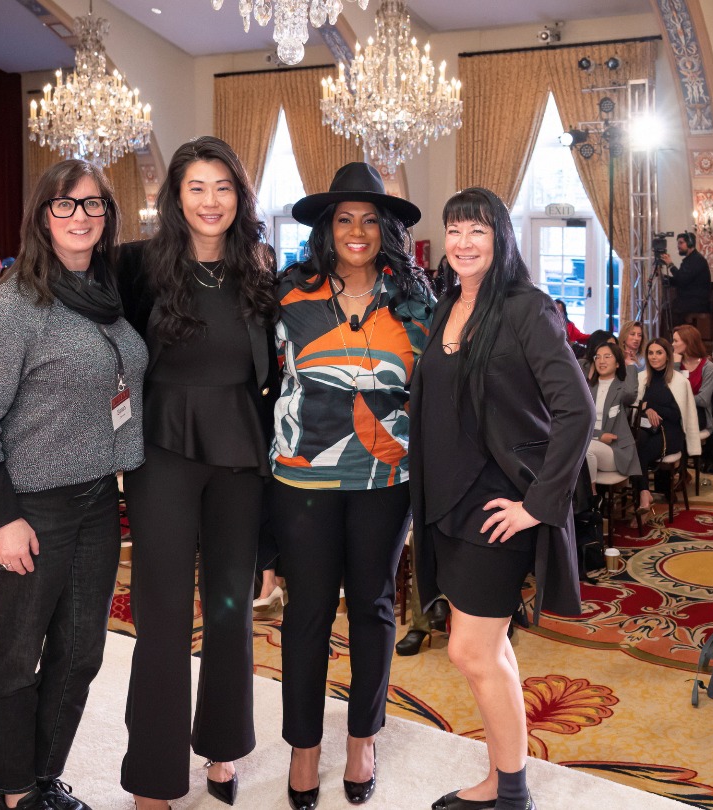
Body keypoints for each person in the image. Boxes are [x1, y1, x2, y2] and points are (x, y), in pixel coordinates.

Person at [0, 158, 147, 810]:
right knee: (15, 655)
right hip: (27, 507)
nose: (81, 217)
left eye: (92, 205)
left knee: (81, 652)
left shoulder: (108, 297)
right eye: (65, 205)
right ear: (42, 216)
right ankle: (13, 795)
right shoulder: (14, 307)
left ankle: (42, 778)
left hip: (95, 501)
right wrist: (4, 517)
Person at [409, 186, 593, 810]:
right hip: (449, 504)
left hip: (497, 508)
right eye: (453, 230)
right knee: (492, 649)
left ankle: (511, 792)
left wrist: (539, 504)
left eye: (477, 231)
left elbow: (577, 410)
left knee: (470, 650)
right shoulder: (447, 305)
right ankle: (501, 780)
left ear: (501, 239)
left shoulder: (525, 309)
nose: (462, 243)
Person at [116, 137, 278, 808]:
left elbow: (276, 377)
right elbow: (107, 360)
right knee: (160, 616)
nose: (211, 201)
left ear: (239, 198)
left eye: (224, 187)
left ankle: (221, 750)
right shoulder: (136, 267)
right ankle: (153, 775)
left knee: (232, 611)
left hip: (241, 456)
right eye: (197, 187)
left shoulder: (260, 271)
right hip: (162, 454)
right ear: (175, 197)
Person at [271, 162, 434, 810]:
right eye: (344, 218)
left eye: (370, 218)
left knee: (371, 607)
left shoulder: (416, 305)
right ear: (325, 228)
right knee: (306, 614)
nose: (357, 230)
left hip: (385, 478)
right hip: (302, 475)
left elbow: (437, 396)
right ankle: (304, 747)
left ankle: (363, 739)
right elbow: (260, 384)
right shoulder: (288, 297)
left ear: (386, 229)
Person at [634, 337, 699, 517]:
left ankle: (643, 499)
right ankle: (644, 495)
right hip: (646, 429)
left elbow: (678, 414)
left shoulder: (679, 381)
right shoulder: (641, 379)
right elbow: (633, 409)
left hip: (671, 433)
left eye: (659, 353)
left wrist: (653, 408)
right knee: (637, 444)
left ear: (668, 356)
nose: (654, 357)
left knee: (638, 452)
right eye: (651, 353)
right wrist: (646, 409)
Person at [584, 340, 640, 491]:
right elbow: (580, 422)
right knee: (583, 451)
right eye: (598, 357)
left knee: (583, 450)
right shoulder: (588, 388)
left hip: (616, 450)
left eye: (607, 356)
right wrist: (598, 435)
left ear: (617, 363)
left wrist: (631, 366)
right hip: (593, 442)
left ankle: (589, 501)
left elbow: (630, 394)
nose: (601, 361)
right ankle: (592, 498)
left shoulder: (621, 388)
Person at [672, 324, 713, 430]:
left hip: (697, 412)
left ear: (688, 342)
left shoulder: (707, 367)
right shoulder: (674, 363)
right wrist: (676, 365)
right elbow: (670, 391)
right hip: (676, 410)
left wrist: (679, 398)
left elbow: (703, 400)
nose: (672, 344)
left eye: (676, 341)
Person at [662, 232, 711, 324]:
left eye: (681, 243)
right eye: (678, 243)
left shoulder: (696, 260)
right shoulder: (689, 260)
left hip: (697, 301)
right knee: (672, 306)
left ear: (690, 244)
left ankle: (682, 335)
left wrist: (670, 264)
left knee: (674, 309)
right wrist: (663, 278)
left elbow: (682, 279)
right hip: (691, 299)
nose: (678, 246)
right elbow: (680, 280)